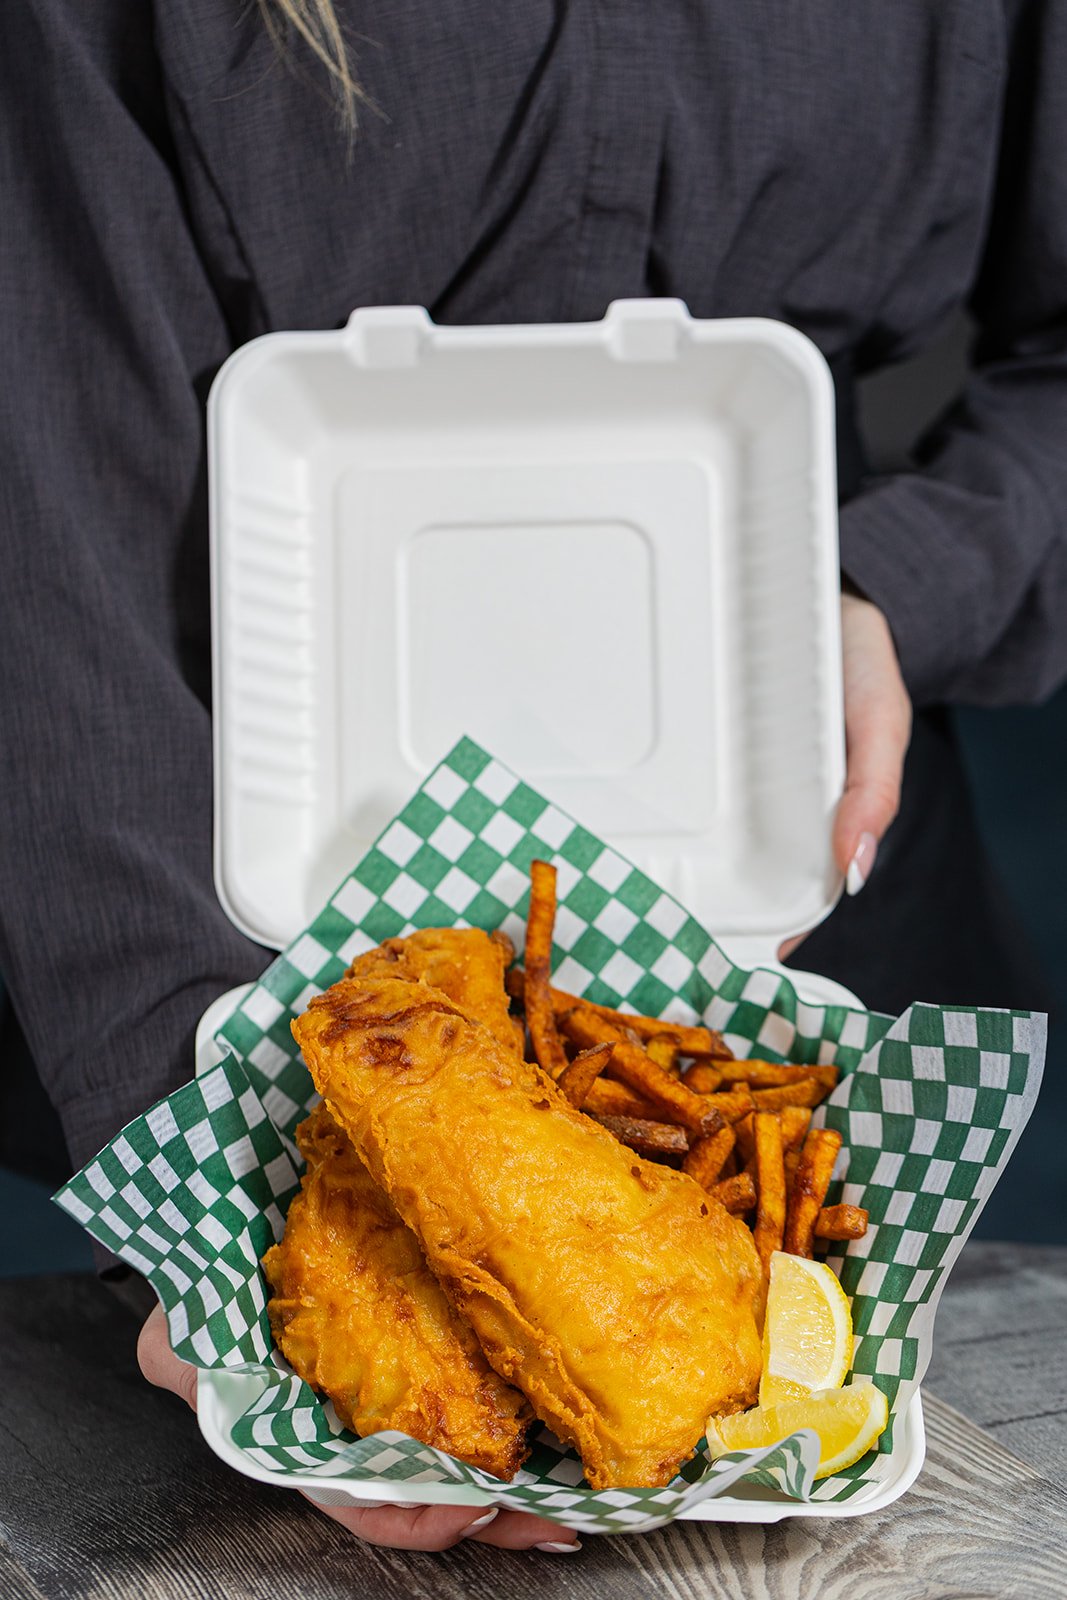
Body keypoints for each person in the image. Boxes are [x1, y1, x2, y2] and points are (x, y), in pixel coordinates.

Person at [3, 0, 1065, 1555]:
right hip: (199, 926)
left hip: (801, 973)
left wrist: (888, 581)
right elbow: (47, 511)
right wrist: (204, 1187)